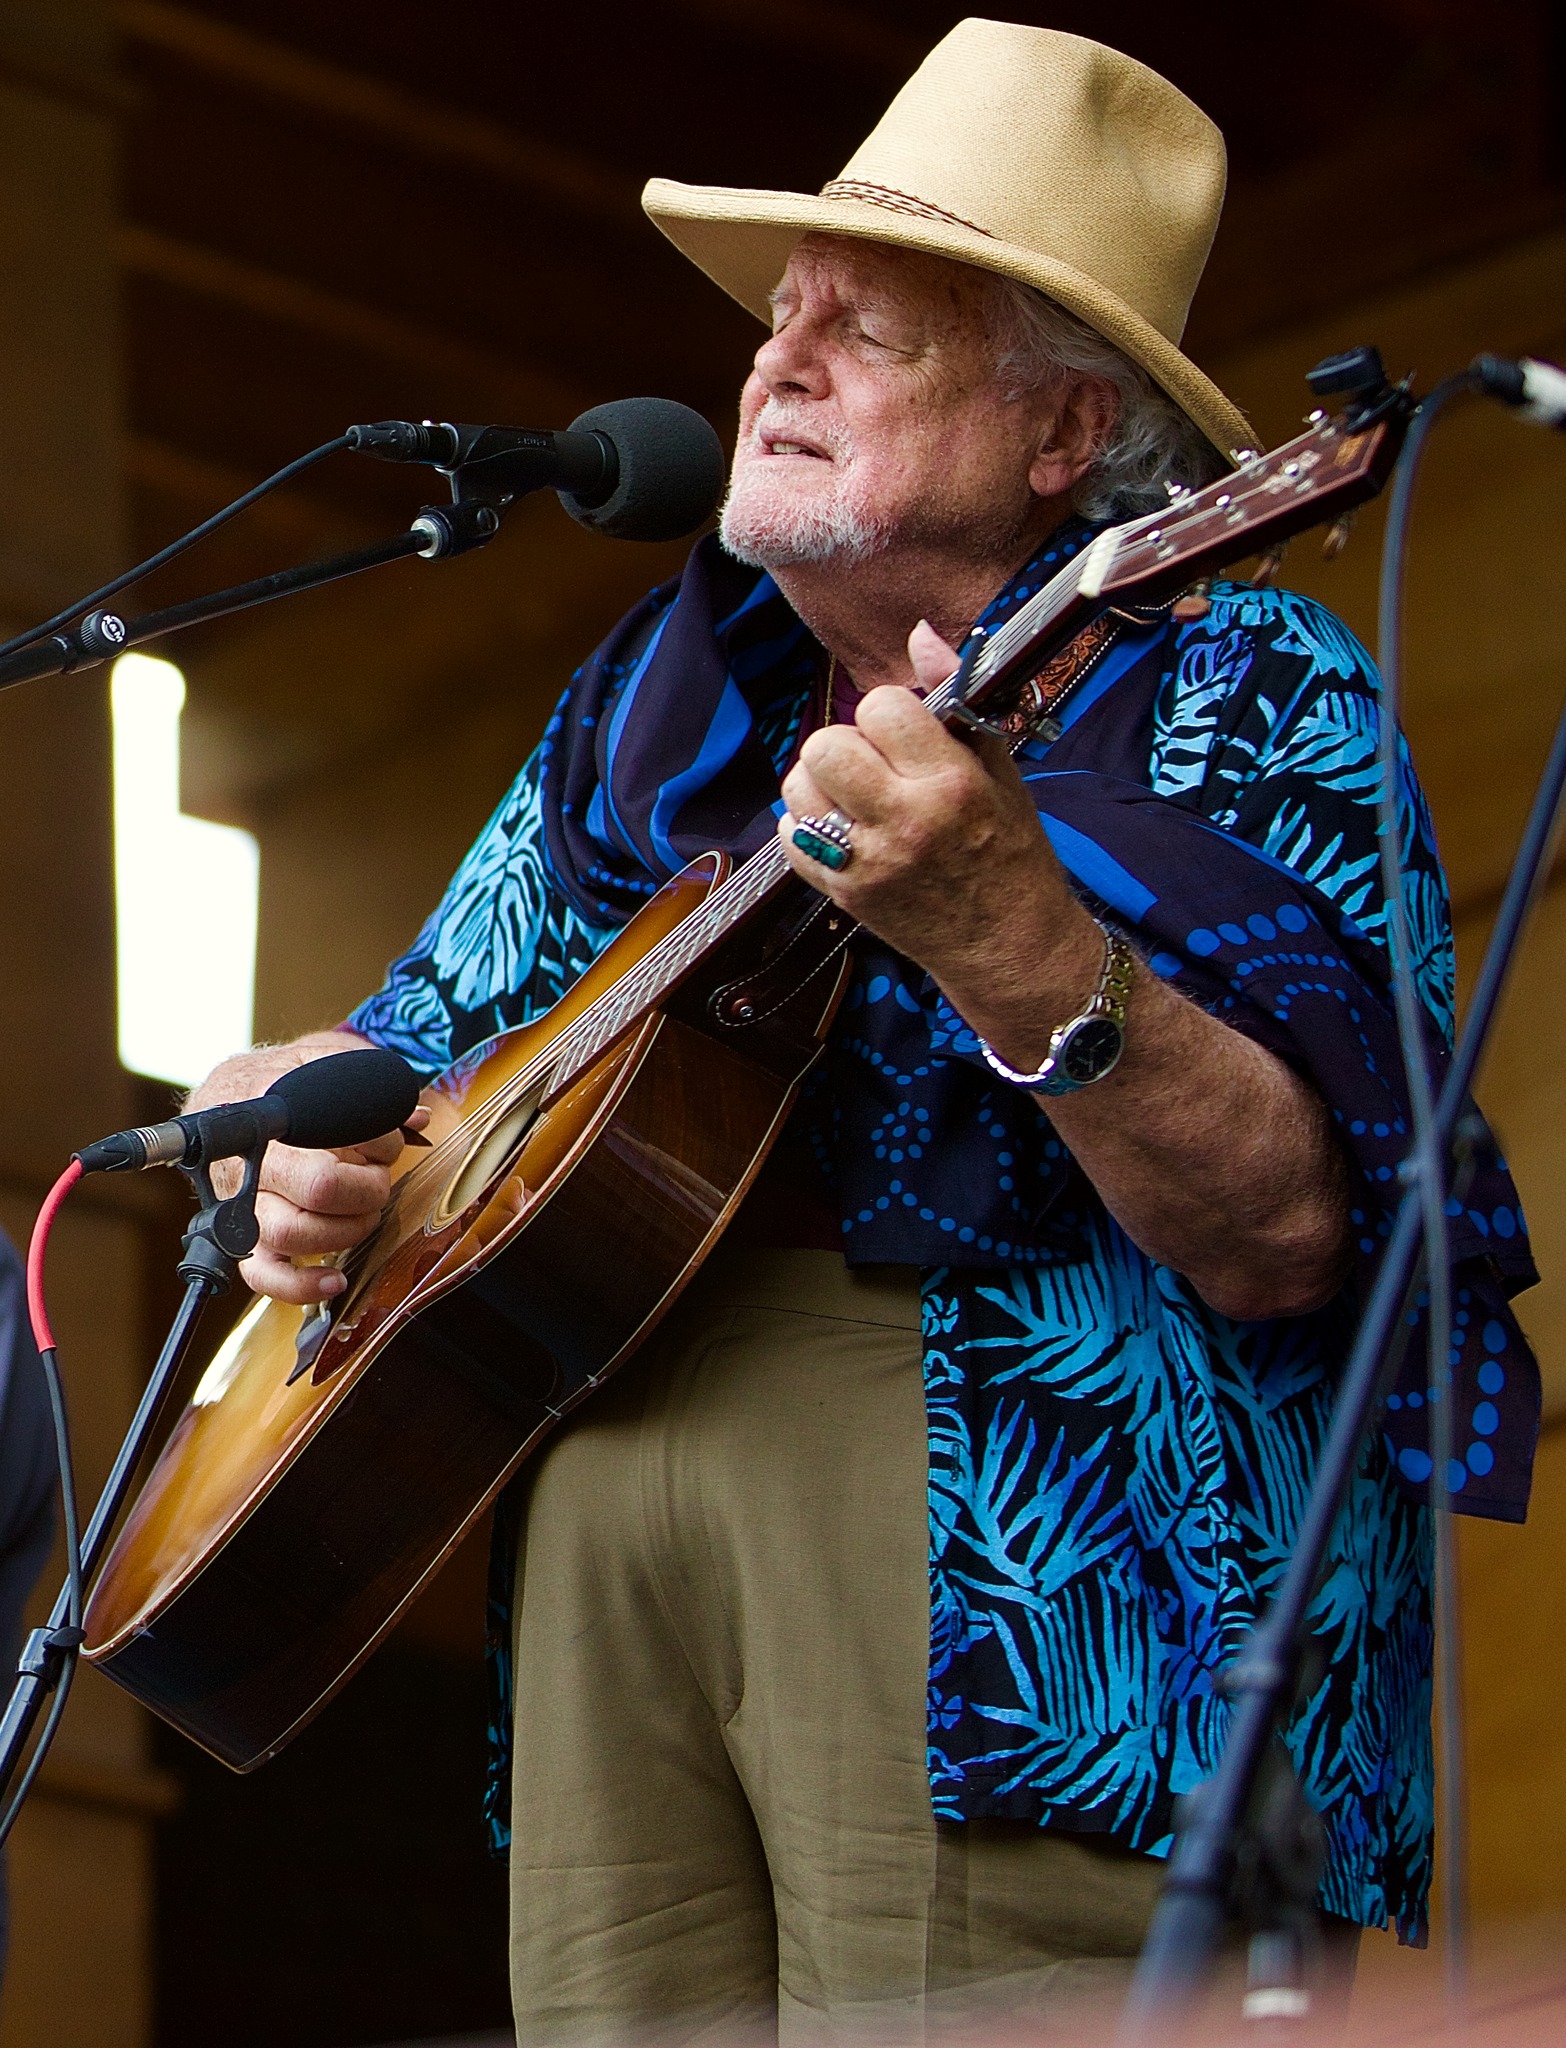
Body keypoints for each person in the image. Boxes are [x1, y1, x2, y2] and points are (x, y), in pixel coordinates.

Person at [187, 22, 1540, 2043]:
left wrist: (1017, 938)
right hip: (611, 1519)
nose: (773, 363)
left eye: (866, 333)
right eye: (779, 320)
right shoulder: (665, 698)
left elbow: (1294, 1229)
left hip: (1029, 1592)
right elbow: (389, 1059)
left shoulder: (1246, 673)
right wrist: (276, 1132)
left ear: (1067, 432)